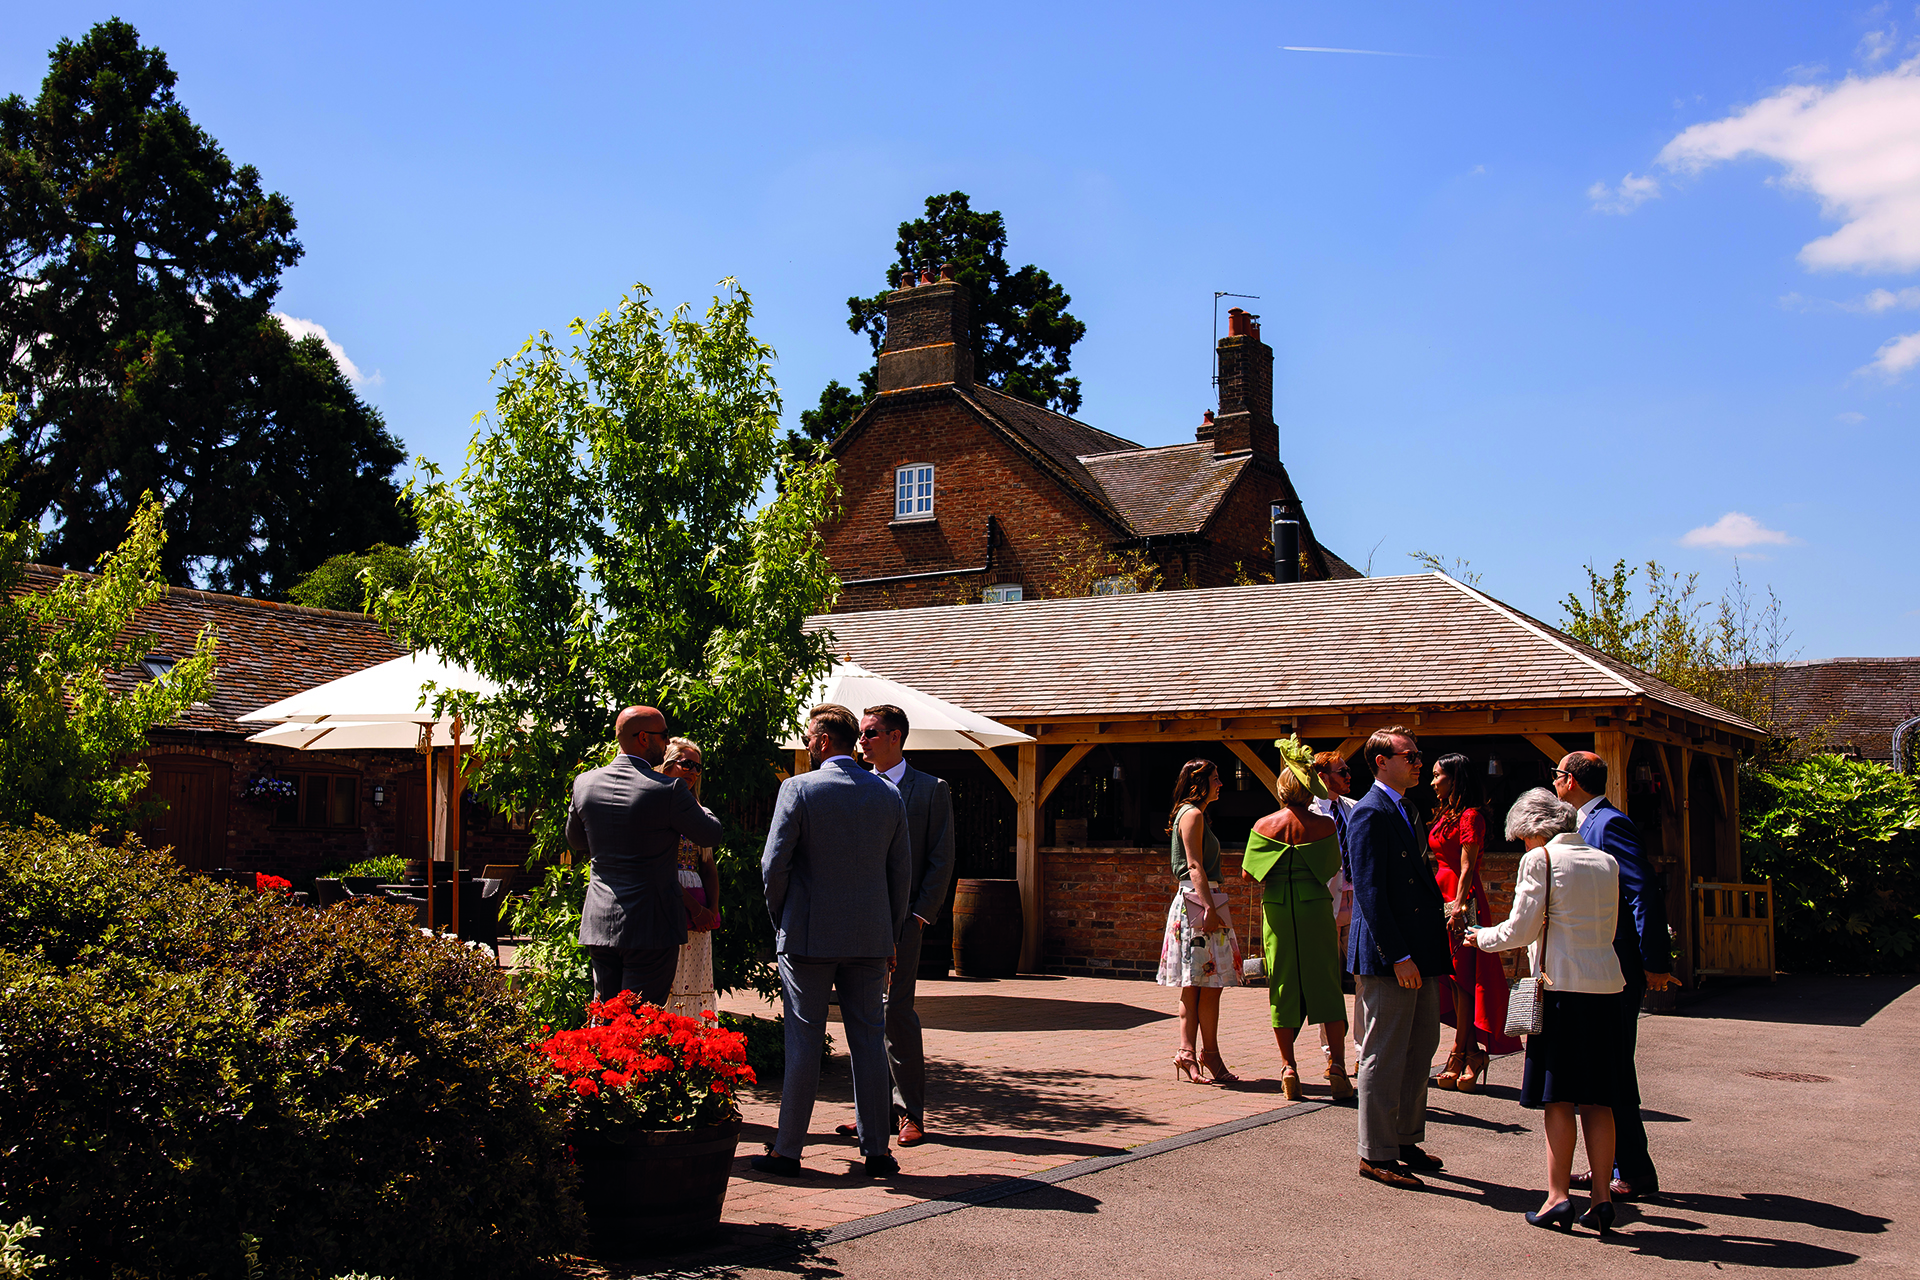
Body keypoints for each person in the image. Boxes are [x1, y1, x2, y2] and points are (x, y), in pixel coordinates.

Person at [753, 703, 912, 1179]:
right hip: (870, 938)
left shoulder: (798, 789)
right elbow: (900, 874)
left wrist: (782, 918)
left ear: (823, 742)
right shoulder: (888, 794)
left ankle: (787, 1151)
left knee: (803, 1040)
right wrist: (889, 933)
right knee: (868, 1040)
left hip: (807, 936)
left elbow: (773, 865)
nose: (806, 744)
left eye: (808, 737)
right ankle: (877, 1151)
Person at [1465, 787, 1628, 1235]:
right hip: (1605, 988)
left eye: (1521, 837)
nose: (1522, 845)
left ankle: (1557, 1197)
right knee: (1598, 1099)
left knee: (1558, 1099)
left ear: (1534, 829)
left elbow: (1520, 930)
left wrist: (1480, 937)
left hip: (1561, 991)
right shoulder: (1606, 862)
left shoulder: (1540, 860)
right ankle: (1601, 1198)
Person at [1554, 751, 1678, 1202]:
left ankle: (1635, 1171)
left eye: (1557, 775)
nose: (1553, 782)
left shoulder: (1609, 824)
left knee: (1614, 1068)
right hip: (1598, 962)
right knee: (1605, 1068)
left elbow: (1642, 890)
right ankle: (1612, 1165)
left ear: (1571, 780)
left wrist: (1654, 960)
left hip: (1620, 963)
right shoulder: (1584, 823)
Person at [1345, 726, 1450, 1190]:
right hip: (1391, 956)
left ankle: (1404, 1139)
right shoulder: (1369, 811)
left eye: (1418, 754)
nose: (1419, 762)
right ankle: (1376, 1152)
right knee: (1383, 1054)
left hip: (1420, 951)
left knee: (1420, 1047)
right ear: (1381, 761)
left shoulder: (1407, 807)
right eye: (1410, 755)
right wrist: (1399, 955)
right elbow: (1369, 891)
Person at [571, 705, 725, 1007]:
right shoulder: (668, 790)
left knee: (606, 1015)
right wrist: (694, 805)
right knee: (641, 1020)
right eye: (664, 735)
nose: (667, 743)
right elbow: (711, 834)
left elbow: (576, 841)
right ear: (644, 738)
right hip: (652, 925)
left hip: (600, 921)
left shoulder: (585, 783)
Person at [851, 703, 955, 1148]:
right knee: (862, 1013)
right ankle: (870, 1113)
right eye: (860, 733)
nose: (861, 741)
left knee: (896, 1012)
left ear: (895, 737)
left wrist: (919, 916)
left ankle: (910, 1112)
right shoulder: (854, 784)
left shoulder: (930, 789)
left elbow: (942, 857)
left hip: (903, 921)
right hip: (857, 918)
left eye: (870, 733)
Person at [1242, 736, 1351, 1101]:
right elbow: (1332, 868)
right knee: (1327, 983)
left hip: (1277, 909)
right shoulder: (1326, 826)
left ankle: (1288, 1067)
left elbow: (1248, 875)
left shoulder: (1264, 825)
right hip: (1315, 907)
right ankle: (1338, 1066)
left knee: (1283, 985)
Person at [1428, 753, 1521, 1092]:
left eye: (1438, 775)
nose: (1432, 782)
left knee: (1464, 977)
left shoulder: (1471, 816)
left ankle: (1458, 1054)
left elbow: (1467, 866)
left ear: (1455, 778)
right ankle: (1471, 1052)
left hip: (1462, 899)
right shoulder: (1445, 814)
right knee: (1452, 978)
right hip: (1442, 895)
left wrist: (1458, 907)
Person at [1156, 758, 1243, 1084]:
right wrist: (1209, 907)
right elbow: (1194, 866)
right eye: (1215, 778)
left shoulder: (1191, 813)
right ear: (1199, 783)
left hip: (1194, 901)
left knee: (1197, 985)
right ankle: (1204, 1054)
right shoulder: (1192, 814)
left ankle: (1190, 1053)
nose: (1221, 784)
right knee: (1207, 985)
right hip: (1198, 902)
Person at [659, 737, 719, 1019]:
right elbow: (659, 869)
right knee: (666, 978)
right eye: (686, 764)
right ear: (667, 763)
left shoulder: (700, 814)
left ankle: (692, 1037)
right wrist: (695, 908)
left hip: (697, 902)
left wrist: (712, 910)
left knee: (692, 977)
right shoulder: (654, 809)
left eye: (697, 767)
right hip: (666, 898)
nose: (693, 772)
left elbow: (708, 865)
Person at [1310, 750, 1358, 1087]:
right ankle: (1333, 1055)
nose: (1348, 776)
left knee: (1364, 979)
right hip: (1326, 903)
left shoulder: (1354, 808)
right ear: (1322, 777)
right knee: (1328, 983)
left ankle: (1362, 1051)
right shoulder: (1310, 812)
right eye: (1342, 771)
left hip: (1357, 903)